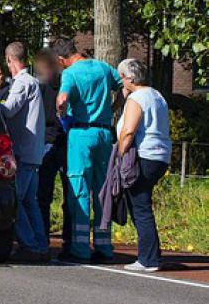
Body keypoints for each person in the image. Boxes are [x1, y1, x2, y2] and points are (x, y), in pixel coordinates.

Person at [53, 38, 122, 262]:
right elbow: (124, 86)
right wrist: (114, 108)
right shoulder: (102, 67)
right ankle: (104, 247)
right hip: (104, 133)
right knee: (102, 190)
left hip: (81, 135)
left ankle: (80, 248)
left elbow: (62, 98)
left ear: (62, 59)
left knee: (79, 189)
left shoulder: (70, 73)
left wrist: (61, 110)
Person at [116, 58, 172, 272]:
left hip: (143, 155)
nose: (121, 81)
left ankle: (148, 259)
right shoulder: (157, 95)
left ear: (130, 78)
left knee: (139, 206)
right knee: (142, 204)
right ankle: (153, 253)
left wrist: (120, 155)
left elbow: (129, 130)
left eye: (122, 77)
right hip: (160, 155)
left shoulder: (137, 99)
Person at [0, 42, 49, 261]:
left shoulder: (22, 82)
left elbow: (9, 110)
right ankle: (41, 244)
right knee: (30, 202)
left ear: (10, 60)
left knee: (16, 202)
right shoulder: (33, 82)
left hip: (22, 152)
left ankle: (30, 245)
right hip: (33, 151)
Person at [34, 48, 71, 255]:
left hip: (49, 142)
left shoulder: (41, 87)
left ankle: (43, 240)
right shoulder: (68, 83)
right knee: (69, 195)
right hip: (65, 141)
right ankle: (68, 240)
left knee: (43, 196)